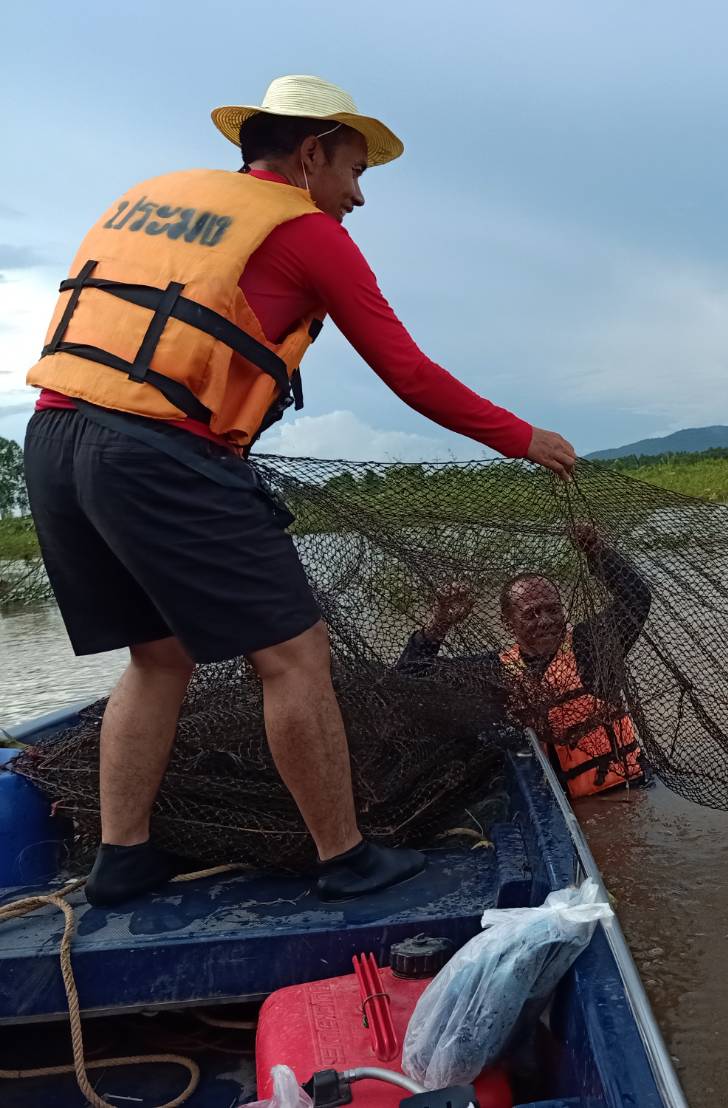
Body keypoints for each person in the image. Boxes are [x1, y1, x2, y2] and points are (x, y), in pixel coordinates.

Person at [21, 75, 578, 906]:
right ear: (311, 153)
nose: (356, 195)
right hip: (158, 452)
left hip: (54, 441)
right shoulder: (306, 232)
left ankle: (123, 857)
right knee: (294, 655)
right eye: (353, 170)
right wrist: (523, 438)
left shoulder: (154, 197)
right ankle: (345, 856)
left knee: (158, 654)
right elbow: (409, 374)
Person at [398, 525, 652, 798]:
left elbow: (636, 598)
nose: (545, 621)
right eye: (531, 614)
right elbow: (410, 677)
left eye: (553, 610)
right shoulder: (495, 671)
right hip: (564, 807)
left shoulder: (591, 645)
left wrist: (596, 551)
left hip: (630, 791)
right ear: (509, 624)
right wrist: (439, 625)